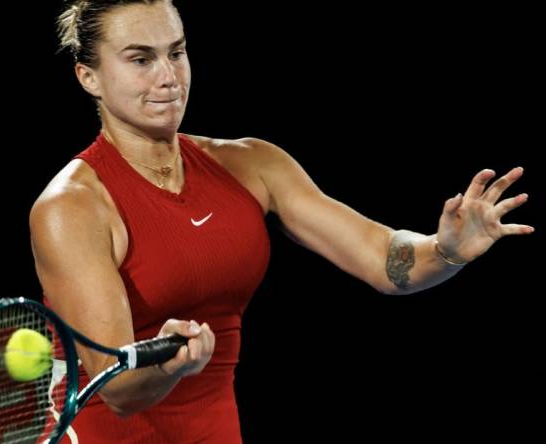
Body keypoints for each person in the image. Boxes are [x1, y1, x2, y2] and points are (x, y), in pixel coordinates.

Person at [29, 1, 534, 442]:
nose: (168, 77)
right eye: (141, 59)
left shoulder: (253, 164)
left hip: (214, 429)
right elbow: (117, 390)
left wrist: (446, 249)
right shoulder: (71, 208)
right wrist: (172, 364)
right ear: (88, 76)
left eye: (176, 52)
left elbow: (385, 262)